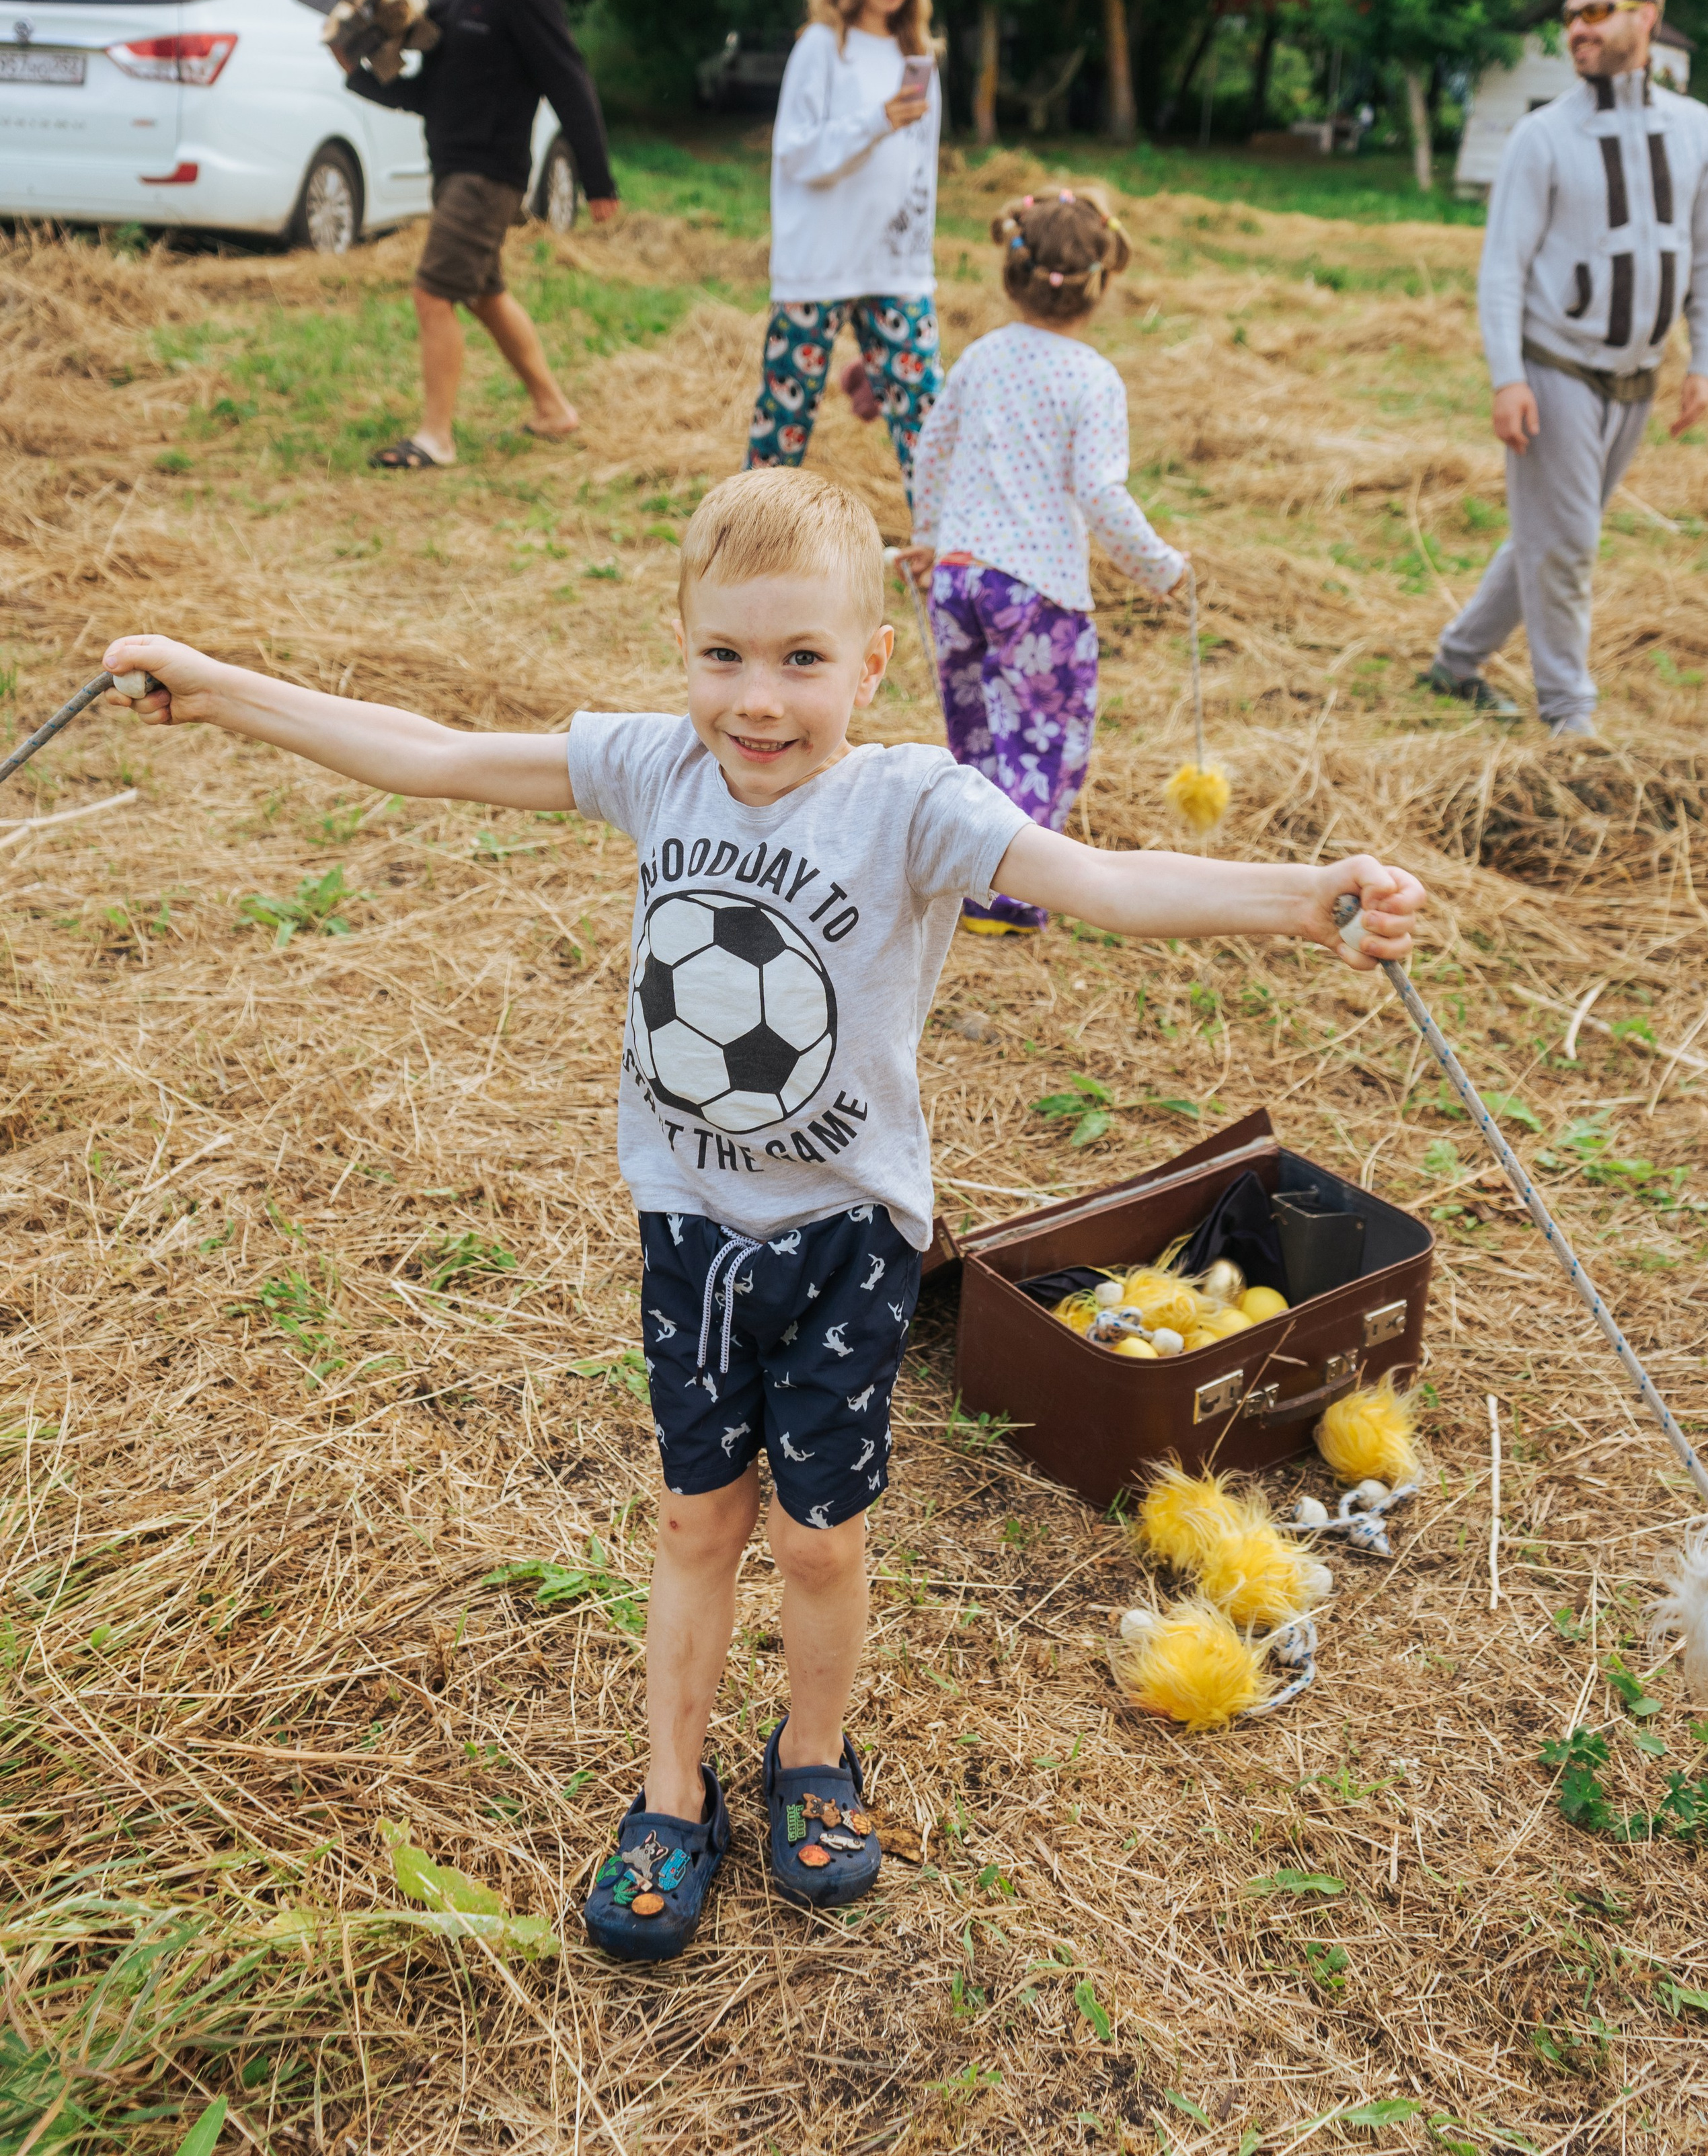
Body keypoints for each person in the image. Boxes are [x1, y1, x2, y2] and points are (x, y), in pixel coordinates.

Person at [100, 472, 1426, 1963]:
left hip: (846, 1238)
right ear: (680, 652)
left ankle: (810, 1761)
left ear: (870, 662)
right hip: (691, 1230)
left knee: (813, 1544)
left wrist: (1302, 894)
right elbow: (435, 754)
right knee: (692, 1519)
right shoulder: (657, 769)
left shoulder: (908, 802)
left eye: (801, 660)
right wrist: (220, 691)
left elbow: (1102, 879)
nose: (757, 700)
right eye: (722, 656)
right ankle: (672, 1794)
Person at [1422, 0, 1708, 740]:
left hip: (1636, 381)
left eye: (1593, 13)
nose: (1575, 32)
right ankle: (1569, 716)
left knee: (1550, 533)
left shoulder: (1696, 129)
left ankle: (1455, 662)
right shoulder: (1540, 136)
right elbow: (1502, 269)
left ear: (1644, 19)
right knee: (1568, 543)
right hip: (1556, 372)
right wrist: (1506, 377)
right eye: (1569, 19)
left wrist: (1704, 361)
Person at [902, 188, 1186, 937]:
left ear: (1011, 273)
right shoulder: (1091, 378)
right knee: (1041, 740)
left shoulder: (981, 356)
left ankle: (964, 874)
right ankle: (1006, 899)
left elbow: (930, 450)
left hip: (959, 576)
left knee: (976, 736)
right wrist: (1159, 567)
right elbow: (1098, 490)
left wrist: (928, 536)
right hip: (1036, 593)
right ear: (1101, 281)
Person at [336, 0, 621, 472]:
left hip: (489, 174)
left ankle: (436, 437)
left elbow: (569, 83)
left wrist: (598, 180)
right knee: (485, 296)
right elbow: (421, 95)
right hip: (453, 170)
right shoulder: (450, 0)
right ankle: (553, 409)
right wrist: (354, 71)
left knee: (432, 292)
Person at [746, 0, 943, 495]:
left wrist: (916, 250)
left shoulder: (916, 53)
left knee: (926, 419)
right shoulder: (822, 47)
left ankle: (946, 560)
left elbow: (920, 170)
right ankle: (749, 551)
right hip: (820, 263)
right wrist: (875, 120)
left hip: (894, 267)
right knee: (785, 420)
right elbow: (798, 154)